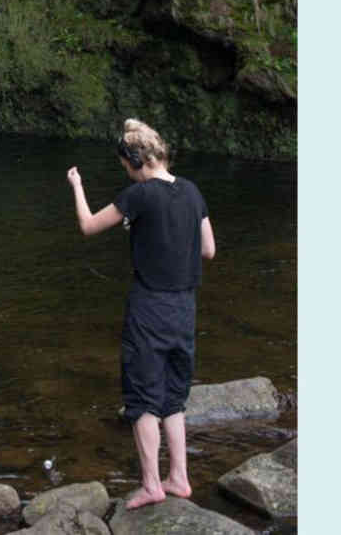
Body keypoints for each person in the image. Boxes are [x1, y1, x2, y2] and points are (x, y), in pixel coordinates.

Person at [66, 118, 217, 510]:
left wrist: (77, 186)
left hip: (150, 308)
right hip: (185, 308)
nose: (127, 173)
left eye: (125, 166)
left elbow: (88, 225)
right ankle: (179, 478)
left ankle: (152, 484)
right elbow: (208, 250)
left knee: (141, 397)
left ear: (136, 161)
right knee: (174, 396)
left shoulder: (140, 194)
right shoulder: (192, 190)